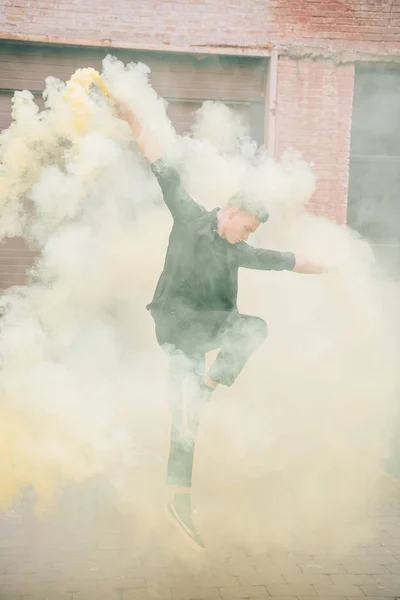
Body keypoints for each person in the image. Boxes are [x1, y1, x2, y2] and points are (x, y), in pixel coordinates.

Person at [113, 97, 325, 551]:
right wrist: (133, 119)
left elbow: (286, 261)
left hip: (204, 327)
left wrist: (334, 268)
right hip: (174, 324)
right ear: (230, 212)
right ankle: (201, 406)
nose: (248, 238)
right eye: (246, 228)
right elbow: (161, 166)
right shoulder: (190, 218)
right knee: (190, 407)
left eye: (251, 234)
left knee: (241, 344)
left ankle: (179, 495)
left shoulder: (238, 250)